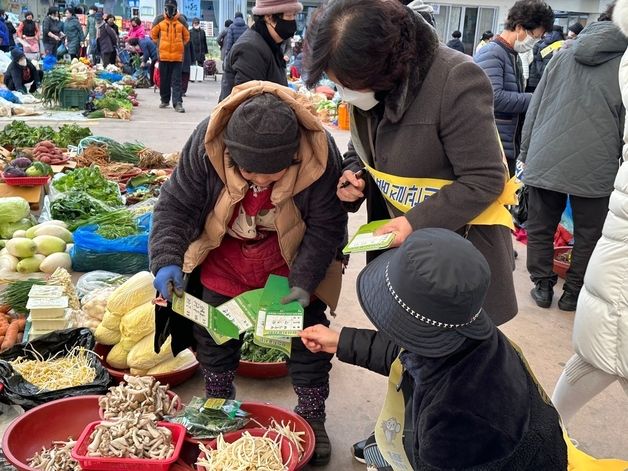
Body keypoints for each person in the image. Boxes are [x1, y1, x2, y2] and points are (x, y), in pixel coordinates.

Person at [304, 1, 521, 460]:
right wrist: (355, 177)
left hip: (450, 254)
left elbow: (485, 178)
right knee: (405, 346)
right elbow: (365, 149)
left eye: (347, 84)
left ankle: (418, 446)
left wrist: (414, 222)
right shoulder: (370, 92)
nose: (341, 93)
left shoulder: (454, 81)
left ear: (388, 70)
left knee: (443, 362)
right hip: (397, 244)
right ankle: (396, 433)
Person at [149, 84, 347, 466]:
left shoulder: (319, 154)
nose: (259, 182)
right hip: (226, 254)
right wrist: (167, 259)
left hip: (287, 258)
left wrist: (305, 280)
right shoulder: (207, 143)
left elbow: (327, 226)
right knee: (214, 331)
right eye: (248, 171)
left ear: (292, 155)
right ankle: (219, 401)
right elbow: (176, 204)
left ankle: (311, 415)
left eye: (272, 174)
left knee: (307, 339)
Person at [300, 228, 568, 470]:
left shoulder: (457, 419)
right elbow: (405, 355)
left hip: (506, 461)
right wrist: (340, 341)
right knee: (388, 441)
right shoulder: (463, 328)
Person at [551, 0, 628, 426]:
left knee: (601, 345)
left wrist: (528, 154)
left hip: (572, 166)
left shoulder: (564, 54)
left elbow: (540, 102)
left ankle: (547, 288)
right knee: (604, 347)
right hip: (601, 172)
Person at [519, 6, 626, 312]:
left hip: (545, 153)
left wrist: (526, 153)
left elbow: (535, 107)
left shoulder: (564, 54)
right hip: (596, 162)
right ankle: (573, 293)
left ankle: (541, 286)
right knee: (590, 232)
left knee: (540, 226)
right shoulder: (624, 63)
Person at [474, 0, 554, 177]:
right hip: (492, 148)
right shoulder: (492, 53)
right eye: (535, 35)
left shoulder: (511, 55)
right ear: (519, 28)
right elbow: (494, 98)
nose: (536, 41)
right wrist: (536, 98)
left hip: (505, 145)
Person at [219, 0, 301, 102]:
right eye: (289, 16)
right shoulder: (250, 49)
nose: (293, 21)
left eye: (295, 15)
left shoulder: (271, 44)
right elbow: (250, 108)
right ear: (268, 17)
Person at [151, 0, 190, 113]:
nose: (169, 10)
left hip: (177, 57)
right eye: (167, 7)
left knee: (177, 80)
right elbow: (153, 35)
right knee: (164, 80)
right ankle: (164, 99)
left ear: (176, 8)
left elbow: (187, 37)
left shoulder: (181, 20)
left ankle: (178, 103)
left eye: (172, 8)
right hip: (163, 56)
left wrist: (180, 45)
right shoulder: (159, 19)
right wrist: (160, 45)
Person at [527, 24, 565, 92]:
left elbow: (537, 59)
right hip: (557, 77)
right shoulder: (564, 44)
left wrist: (541, 70)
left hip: (542, 75)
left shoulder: (543, 44)